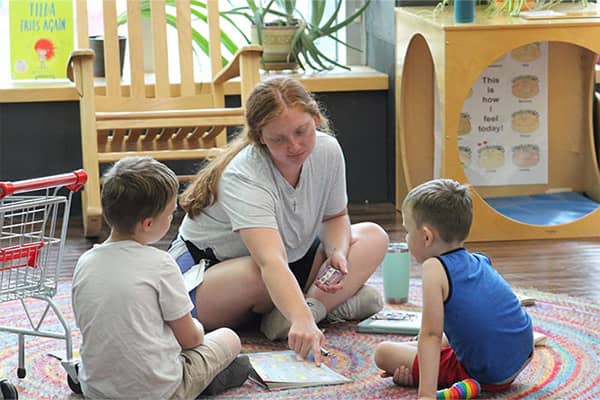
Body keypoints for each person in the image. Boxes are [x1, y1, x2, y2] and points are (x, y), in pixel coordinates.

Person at [169, 76, 389, 365]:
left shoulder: (328, 150)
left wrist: (337, 251)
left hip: (286, 262)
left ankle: (300, 312)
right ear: (260, 137)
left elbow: (335, 217)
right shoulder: (244, 175)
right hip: (216, 275)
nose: (294, 146)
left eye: (301, 131)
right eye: (279, 139)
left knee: (373, 236)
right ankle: (310, 310)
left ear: (316, 118)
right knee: (259, 275)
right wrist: (301, 318)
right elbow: (270, 261)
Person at [72, 157, 250, 399]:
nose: (172, 219)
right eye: (170, 213)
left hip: (97, 389)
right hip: (159, 391)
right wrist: (198, 327)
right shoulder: (160, 264)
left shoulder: (85, 262)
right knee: (229, 338)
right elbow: (190, 340)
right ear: (147, 223)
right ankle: (214, 379)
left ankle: (84, 376)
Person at [374, 179, 534, 399]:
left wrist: (426, 394)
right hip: (521, 354)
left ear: (427, 236)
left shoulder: (434, 268)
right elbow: (474, 320)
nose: (407, 238)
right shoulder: (479, 261)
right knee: (419, 343)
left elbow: (431, 335)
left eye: (408, 231)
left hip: (489, 373)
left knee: (384, 353)